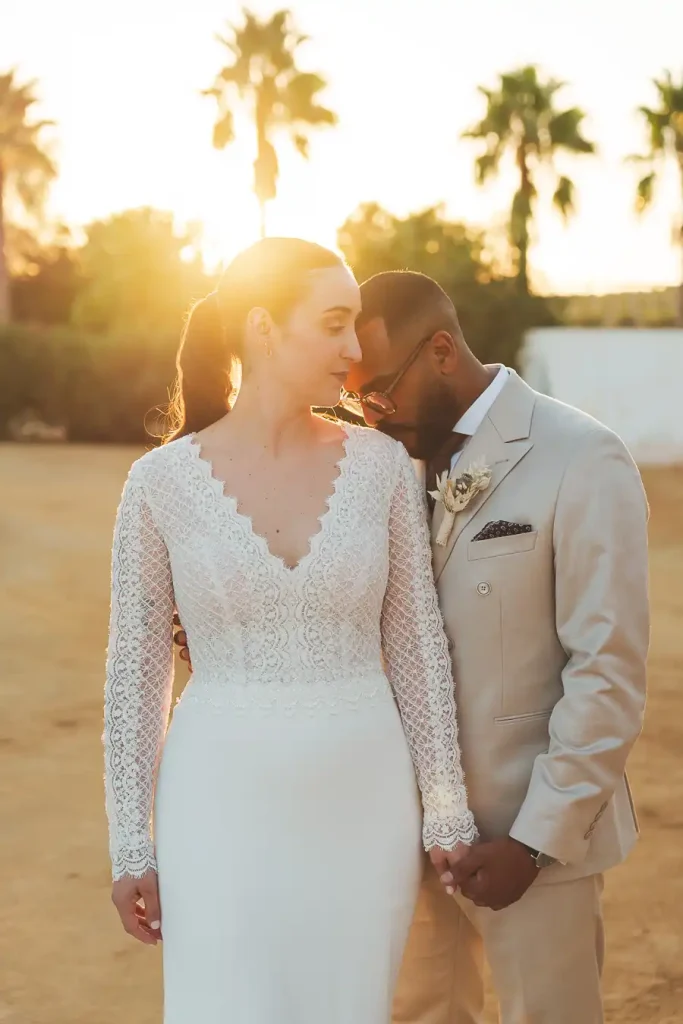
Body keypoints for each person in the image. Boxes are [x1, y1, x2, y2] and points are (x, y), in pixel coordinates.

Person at [103, 240, 476, 1024]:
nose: (354, 349)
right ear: (264, 327)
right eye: (335, 323)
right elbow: (135, 679)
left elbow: (416, 646)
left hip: (363, 805)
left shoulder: (380, 468)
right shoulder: (159, 485)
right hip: (215, 806)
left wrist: (444, 807)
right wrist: (130, 844)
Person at [339, 270, 649, 1024]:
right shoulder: (377, 469)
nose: (371, 417)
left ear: (440, 350)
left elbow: (605, 672)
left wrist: (534, 842)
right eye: (355, 401)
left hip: (533, 848)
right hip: (406, 844)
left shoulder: (580, 456)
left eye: (380, 391)